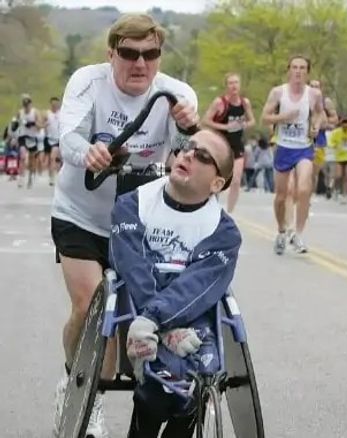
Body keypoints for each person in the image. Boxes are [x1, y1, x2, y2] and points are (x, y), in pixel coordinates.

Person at [51, 14, 199, 438]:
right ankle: (81, 386)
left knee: (143, 318)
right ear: (111, 53)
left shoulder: (176, 94)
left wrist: (189, 129)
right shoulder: (87, 81)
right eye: (130, 54)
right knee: (91, 305)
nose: (140, 64)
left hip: (139, 221)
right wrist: (88, 153)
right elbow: (69, 137)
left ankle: (152, 385)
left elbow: (189, 160)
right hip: (81, 212)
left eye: (150, 54)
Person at [108, 129, 238, 437]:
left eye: (203, 156)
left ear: (216, 183)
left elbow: (198, 287)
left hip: (192, 319)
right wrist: (156, 323)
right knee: (159, 382)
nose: (188, 155)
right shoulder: (131, 204)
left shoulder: (224, 232)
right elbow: (131, 267)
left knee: (194, 379)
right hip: (137, 312)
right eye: (186, 147)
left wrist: (158, 319)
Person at [261, 55, 324, 254]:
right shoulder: (278, 92)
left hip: (304, 148)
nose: (298, 71)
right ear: (289, 70)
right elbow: (264, 118)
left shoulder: (313, 94)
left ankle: (298, 234)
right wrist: (283, 117)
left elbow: (320, 113)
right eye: (295, 67)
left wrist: (315, 125)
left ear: (307, 72)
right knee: (281, 196)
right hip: (283, 147)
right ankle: (281, 231)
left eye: (302, 68)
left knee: (304, 188)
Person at [201, 72, 256, 213]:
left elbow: (252, 121)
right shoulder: (220, 102)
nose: (234, 86)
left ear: (240, 85)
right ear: (226, 86)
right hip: (220, 147)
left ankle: (230, 212)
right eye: (231, 83)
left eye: (236, 82)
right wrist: (225, 127)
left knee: (236, 180)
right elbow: (205, 121)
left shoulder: (245, 103)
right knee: (218, 179)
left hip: (237, 145)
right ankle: (212, 208)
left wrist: (244, 124)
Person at [309, 79, 339, 195]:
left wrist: (323, 123)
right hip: (303, 138)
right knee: (304, 169)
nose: (314, 88)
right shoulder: (302, 99)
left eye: (316, 86)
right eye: (311, 86)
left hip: (319, 140)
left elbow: (335, 119)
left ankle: (309, 195)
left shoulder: (326, 102)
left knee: (314, 171)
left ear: (321, 88)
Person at [16, 93, 43, 188]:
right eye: (24, 105)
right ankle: (21, 178)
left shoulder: (35, 112)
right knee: (23, 156)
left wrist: (33, 123)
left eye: (28, 105)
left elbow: (40, 126)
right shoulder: (20, 112)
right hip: (23, 136)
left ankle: (31, 177)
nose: (26, 107)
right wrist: (14, 138)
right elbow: (16, 126)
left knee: (32, 159)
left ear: (30, 104)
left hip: (32, 137)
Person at [43, 96, 62, 186]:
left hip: (59, 139)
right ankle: (51, 176)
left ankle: (57, 176)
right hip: (49, 139)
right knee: (51, 159)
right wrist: (44, 125)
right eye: (53, 104)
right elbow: (40, 124)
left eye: (56, 104)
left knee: (55, 158)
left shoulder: (61, 113)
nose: (55, 105)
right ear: (51, 104)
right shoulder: (47, 114)